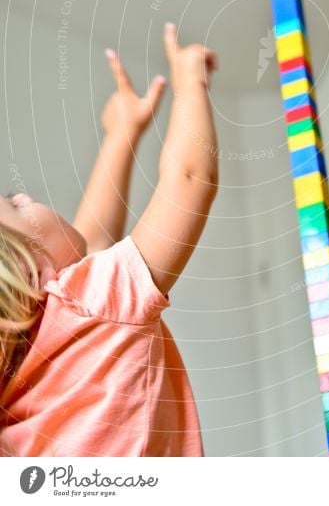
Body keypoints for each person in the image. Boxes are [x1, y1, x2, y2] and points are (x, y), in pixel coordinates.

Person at [0, 23, 219, 456]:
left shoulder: (18, 391)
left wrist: (122, 134)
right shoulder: (88, 307)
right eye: (16, 206)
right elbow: (191, 179)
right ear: (34, 275)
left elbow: (93, 239)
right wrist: (189, 78)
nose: (24, 195)